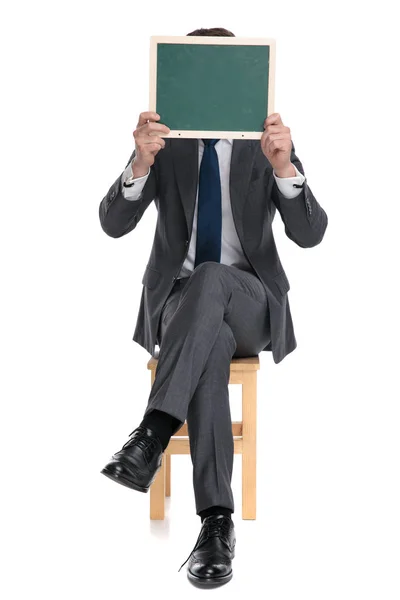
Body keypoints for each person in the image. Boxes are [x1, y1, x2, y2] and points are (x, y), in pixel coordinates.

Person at [99, 26, 328, 587]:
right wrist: (139, 164)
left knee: (213, 281)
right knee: (209, 342)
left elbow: (311, 233)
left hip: (250, 302)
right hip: (181, 309)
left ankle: (152, 432)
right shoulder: (164, 146)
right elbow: (112, 224)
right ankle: (216, 526)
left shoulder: (264, 144)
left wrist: (284, 168)